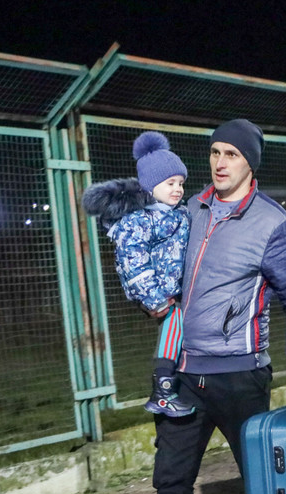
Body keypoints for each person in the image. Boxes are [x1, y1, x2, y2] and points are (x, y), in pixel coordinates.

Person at [133, 119, 286, 494]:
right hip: (182, 375)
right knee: (170, 481)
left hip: (241, 377)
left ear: (250, 162)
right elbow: (156, 263)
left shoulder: (273, 223)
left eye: (231, 154)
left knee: (263, 486)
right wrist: (149, 294)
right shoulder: (185, 210)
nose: (219, 162)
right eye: (214, 152)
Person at [82, 131, 194, 417]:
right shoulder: (139, 222)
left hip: (175, 291)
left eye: (181, 183)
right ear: (150, 186)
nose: (178, 189)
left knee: (180, 328)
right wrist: (154, 298)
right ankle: (163, 390)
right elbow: (133, 262)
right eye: (170, 183)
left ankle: (175, 381)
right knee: (175, 321)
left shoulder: (176, 213)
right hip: (157, 293)